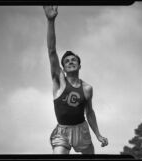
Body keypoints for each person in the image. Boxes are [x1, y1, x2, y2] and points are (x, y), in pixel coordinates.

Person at [43, 6, 108, 154]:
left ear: (79, 65)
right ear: (63, 68)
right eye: (67, 61)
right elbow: (51, 51)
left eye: (74, 60)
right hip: (62, 132)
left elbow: (89, 112)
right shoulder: (59, 81)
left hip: (82, 130)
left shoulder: (87, 88)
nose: (71, 62)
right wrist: (50, 21)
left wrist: (98, 135)